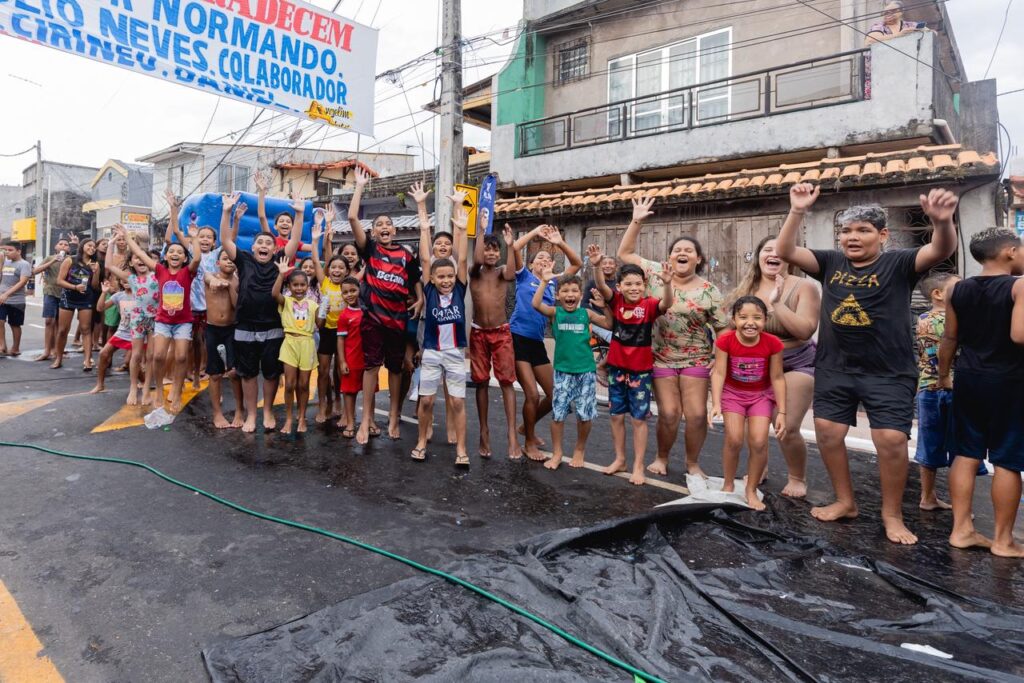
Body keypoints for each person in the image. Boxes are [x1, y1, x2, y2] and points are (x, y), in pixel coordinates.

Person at [776, 182, 959, 545]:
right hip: (835, 367)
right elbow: (786, 250)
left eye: (862, 230)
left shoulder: (899, 263)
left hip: (888, 371)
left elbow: (941, 249)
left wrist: (941, 222)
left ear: (883, 234)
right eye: (846, 231)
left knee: (890, 439)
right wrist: (797, 211)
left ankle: (892, 514)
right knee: (828, 432)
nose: (852, 237)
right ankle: (846, 501)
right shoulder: (830, 262)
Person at [616, 197, 728, 478]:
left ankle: (692, 463)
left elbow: (723, 328)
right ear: (669, 258)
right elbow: (625, 253)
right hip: (660, 357)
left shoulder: (709, 291)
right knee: (668, 413)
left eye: (689, 251)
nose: (682, 253)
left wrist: (719, 358)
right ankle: (661, 457)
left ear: (698, 259)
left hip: (697, 358)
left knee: (697, 415)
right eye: (677, 249)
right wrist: (637, 220)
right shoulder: (654, 273)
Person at [939, 228, 1024, 558]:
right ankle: (1003, 540)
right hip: (1010, 381)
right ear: (1010, 252)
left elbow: (949, 338)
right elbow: (1019, 335)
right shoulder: (1019, 286)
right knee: (1007, 459)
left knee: (965, 452)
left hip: (969, 377)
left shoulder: (958, 289)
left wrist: (945, 374)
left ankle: (961, 530)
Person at [726, 236, 820, 497]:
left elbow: (804, 330)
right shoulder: (747, 288)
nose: (773, 254)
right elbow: (730, 330)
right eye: (767, 249)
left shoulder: (803, 287)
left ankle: (797, 477)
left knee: (786, 427)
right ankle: (760, 467)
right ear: (758, 256)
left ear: (790, 257)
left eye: (780, 250)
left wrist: (777, 304)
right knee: (751, 424)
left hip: (796, 363)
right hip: (756, 364)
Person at [348, 167, 423, 444]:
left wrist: (421, 298)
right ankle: (366, 419)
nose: (384, 228)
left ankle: (394, 416)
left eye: (387, 224)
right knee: (370, 368)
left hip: (398, 321)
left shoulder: (405, 254)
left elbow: (415, 279)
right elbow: (353, 216)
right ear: (374, 231)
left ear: (395, 229)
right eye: (379, 225)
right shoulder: (370, 249)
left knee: (395, 369)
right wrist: (359, 186)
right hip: (373, 319)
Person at [221, 192, 304, 432]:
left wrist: (299, 214)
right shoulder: (244, 260)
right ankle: (250, 415)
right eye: (261, 243)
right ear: (253, 246)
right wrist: (227, 212)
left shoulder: (281, 259)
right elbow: (226, 241)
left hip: (273, 326)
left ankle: (267, 411)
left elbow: (295, 239)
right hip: (245, 325)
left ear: (274, 248)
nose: (265, 246)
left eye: (269, 243)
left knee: (269, 373)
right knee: (247, 374)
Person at [590, 248, 674, 485]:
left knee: (638, 419)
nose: (633, 288)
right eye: (628, 284)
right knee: (616, 416)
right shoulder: (616, 301)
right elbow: (602, 287)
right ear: (620, 287)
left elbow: (666, 303)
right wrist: (597, 265)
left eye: (638, 283)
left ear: (644, 285)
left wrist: (667, 284)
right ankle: (620, 459)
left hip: (640, 372)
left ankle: (638, 466)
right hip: (617, 369)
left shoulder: (648, 305)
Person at [509, 224, 584, 460]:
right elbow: (514, 248)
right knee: (532, 394)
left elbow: (577, 264)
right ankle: (529, 440)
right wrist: (534, 233)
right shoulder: (524, 277)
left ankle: (526, 427)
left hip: (537, 342)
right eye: (539, 257)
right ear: (531, 264)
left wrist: (558, 242)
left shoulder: (554, 283)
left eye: (548, 257)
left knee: (555, 395)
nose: (543, 259)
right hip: (517, 338)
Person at [709, 296, 787, 511]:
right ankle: (728, 483)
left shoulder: (773, 343)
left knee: (759, 442)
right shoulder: (725, 341)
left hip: (761, 396)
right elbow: (719, 373)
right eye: (743, 317)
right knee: (734, 439)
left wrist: (782, 411)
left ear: (765, 320)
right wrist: (716, 403)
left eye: (757, 318)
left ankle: (750, 489)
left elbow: (778, 378)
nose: (750, 323)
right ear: (734, 319)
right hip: (733, 395)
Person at [411, 187, 470, 465]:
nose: (446, 280)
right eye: (441, 276)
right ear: (432, 278)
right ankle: (422, 441)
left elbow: (462, 259)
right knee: (426, 402)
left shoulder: (459, 287)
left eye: (450, 276)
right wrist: (422, 209)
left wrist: (461, 216)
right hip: (432, 352)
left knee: (457, 402)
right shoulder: (431, 288)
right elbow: (425, 257)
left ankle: (461, 449)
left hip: (456, 352)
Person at [118, 218, 201, 414]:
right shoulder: (160, 270)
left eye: (180, 252)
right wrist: (127, 237)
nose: (175, 254)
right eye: (172, 251)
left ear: (184, 258)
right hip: (163, 321)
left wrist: (195, 238)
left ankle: (176, 390)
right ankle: (159, 393)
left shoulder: (188, 272)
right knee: (157, 356)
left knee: (181, 357)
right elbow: (139, 253)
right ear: (166, 256)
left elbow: (197, 259)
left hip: (183, 322)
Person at [531, 269, 610, 470]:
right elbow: (536, 304)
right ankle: (557, 453)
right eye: (565, 291)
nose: (570, 295)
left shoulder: (586, 314)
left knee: (585, 415)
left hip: (585, 372)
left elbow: (610, 323)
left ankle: (579, 450)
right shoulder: (555, 312)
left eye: (574, 291)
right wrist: (544, 282)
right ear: (558, 296)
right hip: (562, 372)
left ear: (580, 295)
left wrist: (605, 305)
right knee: (558, 415)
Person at [913, 271, 977, 511]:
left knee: (932, 445)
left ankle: (928, 497)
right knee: (959, 448)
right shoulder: (940, 320)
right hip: (944, 387)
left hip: (930, 388)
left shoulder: (925, 318)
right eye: (957, 288)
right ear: (937, 294)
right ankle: (953, 504)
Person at [469, 223, 520, 459]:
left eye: (494, 250)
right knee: (481, 382)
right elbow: (477, 258)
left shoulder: (502, 272)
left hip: (501, 333)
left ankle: (512, 436)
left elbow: (512, 272)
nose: (490, 253)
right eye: (487, 249)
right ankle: (484, 431)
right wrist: (480, 231)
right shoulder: (474, 272)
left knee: (506, 382)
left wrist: (511, 247)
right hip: (479, 333)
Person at [105, 231, 159, 406]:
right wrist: (111, 243)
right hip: (137, 319)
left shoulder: (157, 276)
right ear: (131, 262)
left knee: (150, 355)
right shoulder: (131, 278)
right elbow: (109, 266)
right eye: (135, 258)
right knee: (135, 355)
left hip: (155, 320)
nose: (140, 260)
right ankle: (133, 387)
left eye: (143, 257)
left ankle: (146, 389)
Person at [272, 257, 318, 434]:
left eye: (302, 285)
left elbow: (320, 325)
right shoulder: (287, 302)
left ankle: (302, 417)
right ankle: (290, 418)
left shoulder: (314, 305)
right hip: (290, 342)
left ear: (307, 286)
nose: (299, 288)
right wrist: (281, 275)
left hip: (307, 343)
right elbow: (274, 294)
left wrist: (324, 312)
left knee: (304, 384)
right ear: (289, 287)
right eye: (295, 285)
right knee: (290, 384)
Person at [205, 248, 243, 428]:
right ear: (217, 262)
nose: (228, 261)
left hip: (231, 329)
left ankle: (239, 410)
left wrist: (229, 288)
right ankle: (217, 414)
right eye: (224, 259)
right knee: (215, 374)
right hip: (212, 329)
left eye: (231, 259)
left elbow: (237, 306)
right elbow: (209, 279)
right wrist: (215, 280)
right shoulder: (210, 275)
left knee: (234, 372)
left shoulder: (237, 281)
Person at [54, 238, 100, 371]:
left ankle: (87, 360)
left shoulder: (94, 263)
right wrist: (75, 287)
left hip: (86, 298)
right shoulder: (70, 260)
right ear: (82, 246)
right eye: (89, 245)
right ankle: (58, 358)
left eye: (94, 247)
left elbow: (95, 286)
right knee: (62, 330)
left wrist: (96, 272)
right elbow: (59, 281)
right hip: (68, 297)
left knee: (86, 329)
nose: (92, 248)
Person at [89, 278, 135, 394]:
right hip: (123, 332)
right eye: (123, 279)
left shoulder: (142, 294)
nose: (126, 281)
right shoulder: (118, 296)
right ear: (120, 281)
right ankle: (100, 385)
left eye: (129, 278)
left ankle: (143, 381)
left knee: (130, 362)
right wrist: (104, 292)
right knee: (103, 353)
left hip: (138, 333)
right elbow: (100, 308)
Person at [32, 235, 74, 362]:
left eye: (66, 245)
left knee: (60, 324)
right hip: (50, 292)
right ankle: (46, 351)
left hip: (65, 293)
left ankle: (57, 349)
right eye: (60, 244)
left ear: (69, 249)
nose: (63, 246)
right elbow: (35, 271)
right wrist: (53, 261)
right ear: (56, 247)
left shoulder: (71, 260)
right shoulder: (50, 258)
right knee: (49, 321)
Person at [255, 170, 313, 258]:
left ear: (293, 227)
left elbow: (314, 247)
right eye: (281, 221)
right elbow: (262, 217)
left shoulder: (295, 243)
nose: (285, 223)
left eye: (288, 222)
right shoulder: (272, 240)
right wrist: (262, 192)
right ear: (275, 226)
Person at [334, 277, 364, 437]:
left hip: (367, 359)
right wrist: (342, 360)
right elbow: (340, 339)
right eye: (345, 292)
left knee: (369, 391)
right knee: (349, 392)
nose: (350, 294)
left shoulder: (367, 310)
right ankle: (351, 423)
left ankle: (369, 421)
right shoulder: (344, 316)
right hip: (351, 360)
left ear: (360, 289)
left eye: (353, 290)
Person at [0, 240, 33, 357]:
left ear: (18, 251)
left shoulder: (24, 264)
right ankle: (2, 345)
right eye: (6, 250)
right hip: (2, 299)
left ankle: (15, 348)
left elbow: (23, 282)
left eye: (10, 250)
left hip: (16, 300)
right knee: (0, 321)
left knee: (15, 325)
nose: (7, 252)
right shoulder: (5, 262)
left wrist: (6, 294)